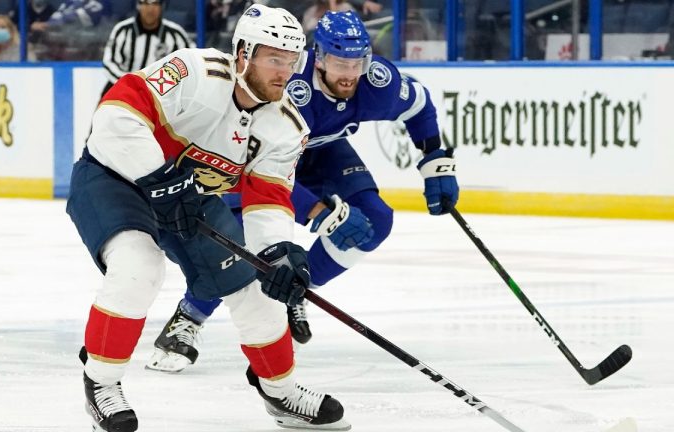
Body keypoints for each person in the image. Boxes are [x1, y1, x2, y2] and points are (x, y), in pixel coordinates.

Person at [66, 4, 350, 431]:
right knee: (139, 266)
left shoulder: (287, 126)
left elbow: (269, 197)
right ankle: (102, 382)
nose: (284, 72)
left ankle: (281, 391)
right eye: (274, 59)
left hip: (191, 198)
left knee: (257, 289)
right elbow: (116, 113)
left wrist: (277, 251)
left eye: (292, 61)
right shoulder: (195, 71)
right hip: (115, 177)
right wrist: (157, 177)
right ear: (243, 53)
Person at [145, 10, 458, 373]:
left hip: (323, 154)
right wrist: (319, 212)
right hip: (262, 159)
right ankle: (189, 317)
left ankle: (296, 290)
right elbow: (257, 171)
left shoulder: (376, 82)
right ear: (319, 58)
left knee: (376, 219)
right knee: (242, 241)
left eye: (357, 63)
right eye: (340, 63)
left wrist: (435, 160)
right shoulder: (288, 84)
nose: (350, 74)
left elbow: (418, 105)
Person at [100, 0, 193, 97]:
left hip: (162, 93)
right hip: (124, 87)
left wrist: (160, 87)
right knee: (105, 102)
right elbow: (109, 63)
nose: (150, 9)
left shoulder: (175, 34)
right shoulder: (122, 30)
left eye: (155, 3)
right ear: (138, 5)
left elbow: (190, 63)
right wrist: (130, 83)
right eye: (145, 3)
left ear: (162, 6)